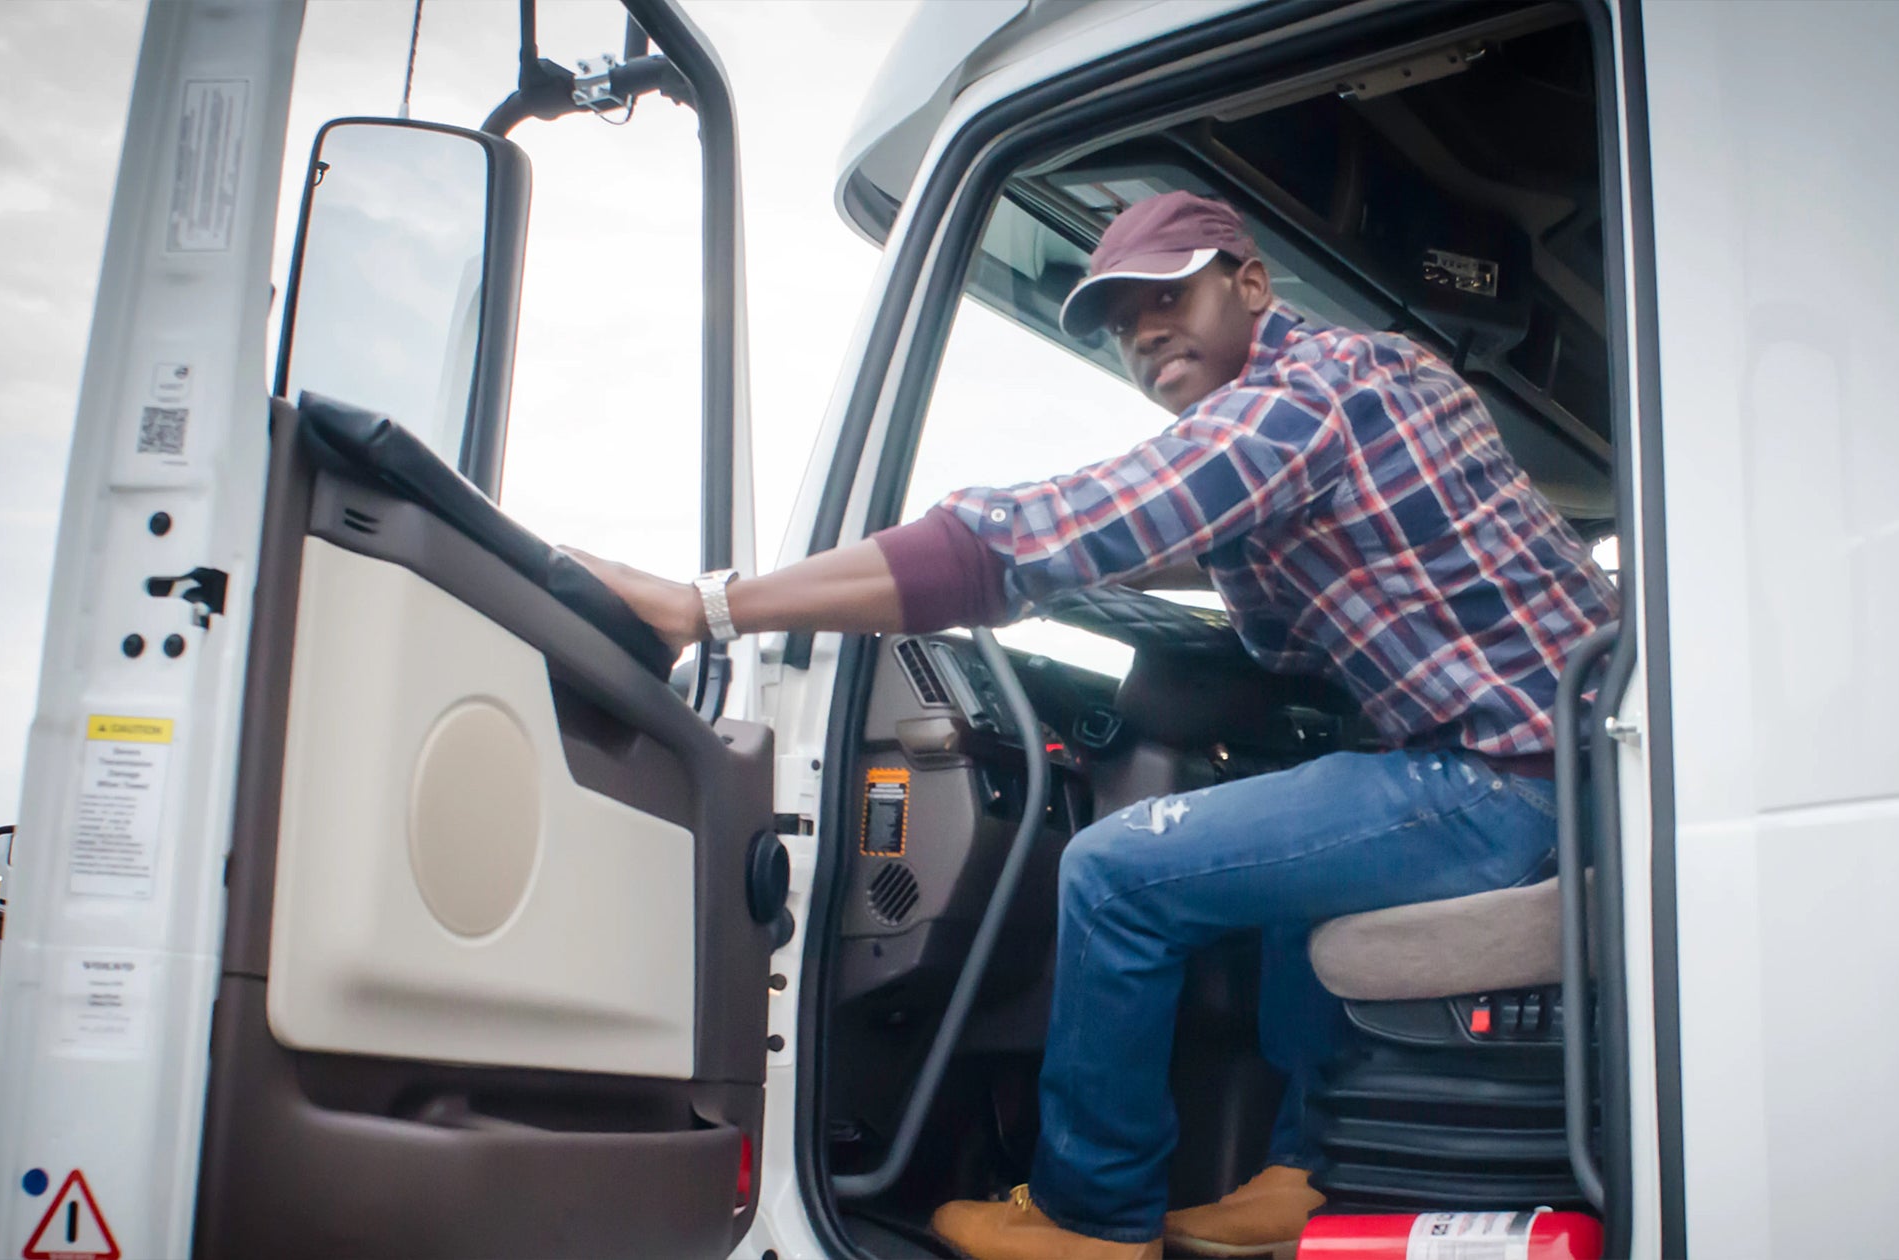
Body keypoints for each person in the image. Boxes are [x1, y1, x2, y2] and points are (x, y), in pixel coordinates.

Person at [572, 191, 1620, 1260]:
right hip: (1577, 778)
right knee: (1281, 856)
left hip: (1502, 783)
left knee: (1114, 872)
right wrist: (1090, 563)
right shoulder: (1369, 376)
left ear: (1249, 285)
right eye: (1121, 322)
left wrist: (707, 609)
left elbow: (1016, 543)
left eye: (1166, 295)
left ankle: (1092, 1217)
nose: (1143, 331)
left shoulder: (1292, 404)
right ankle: (1306, 1174)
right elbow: (1208, 556)